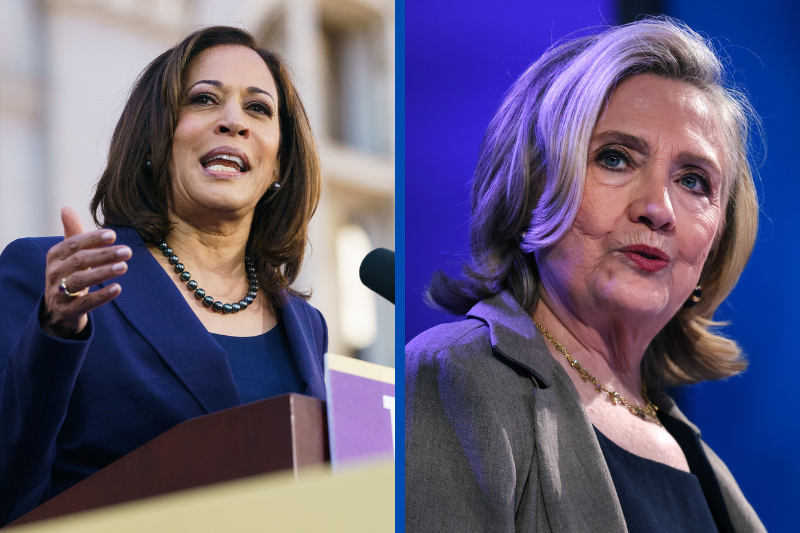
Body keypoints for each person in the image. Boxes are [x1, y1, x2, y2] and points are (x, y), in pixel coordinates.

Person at [406, 17, 766, 532]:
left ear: (718, 237)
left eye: (693, 180)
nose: (657, 208)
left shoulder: (701, 462)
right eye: (615, 158)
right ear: (533, 189)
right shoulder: (457, 377)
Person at [0, 26, 326, 525]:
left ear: (279, 161)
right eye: (204, 99)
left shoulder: (307, 326)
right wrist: (54, 333)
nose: (234, 121)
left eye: (258, 108)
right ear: (155, 138)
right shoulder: (54, 281)